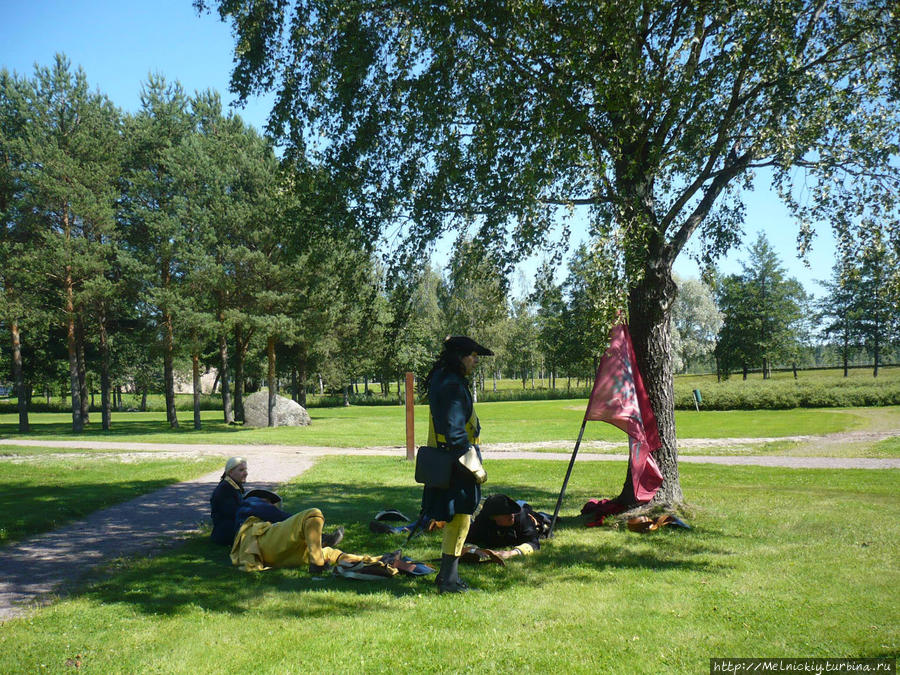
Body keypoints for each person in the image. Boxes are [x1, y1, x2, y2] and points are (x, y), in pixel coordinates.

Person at [420, 335, 493, 593]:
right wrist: (474, 464)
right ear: (459, 357)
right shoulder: (450, 384)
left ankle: (446, 577)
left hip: (449, 459)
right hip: (457, 461)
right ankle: (449, 581)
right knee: (460, 519)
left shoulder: (444, 378)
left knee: (456, 519)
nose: (475, 360)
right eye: (472, 355)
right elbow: (453, 431)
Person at [466, 494, 546, 560]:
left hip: (532, 516)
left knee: (543, 519)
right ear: (493, 517)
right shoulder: (482, 521)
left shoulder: (521, 516)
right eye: (505, 513)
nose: (511, 515)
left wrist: (511, 553)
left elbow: (534, 543)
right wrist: (475, 550)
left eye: (511, 512)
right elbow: (464, 539)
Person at [210, 456, 248, 546]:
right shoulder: (225, 488)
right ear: (230, 472)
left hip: (232, 529)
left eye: (246, 469)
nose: (246, 473)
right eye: (241, 470)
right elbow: (234, 513)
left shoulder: (232, 485)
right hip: (227, 534)